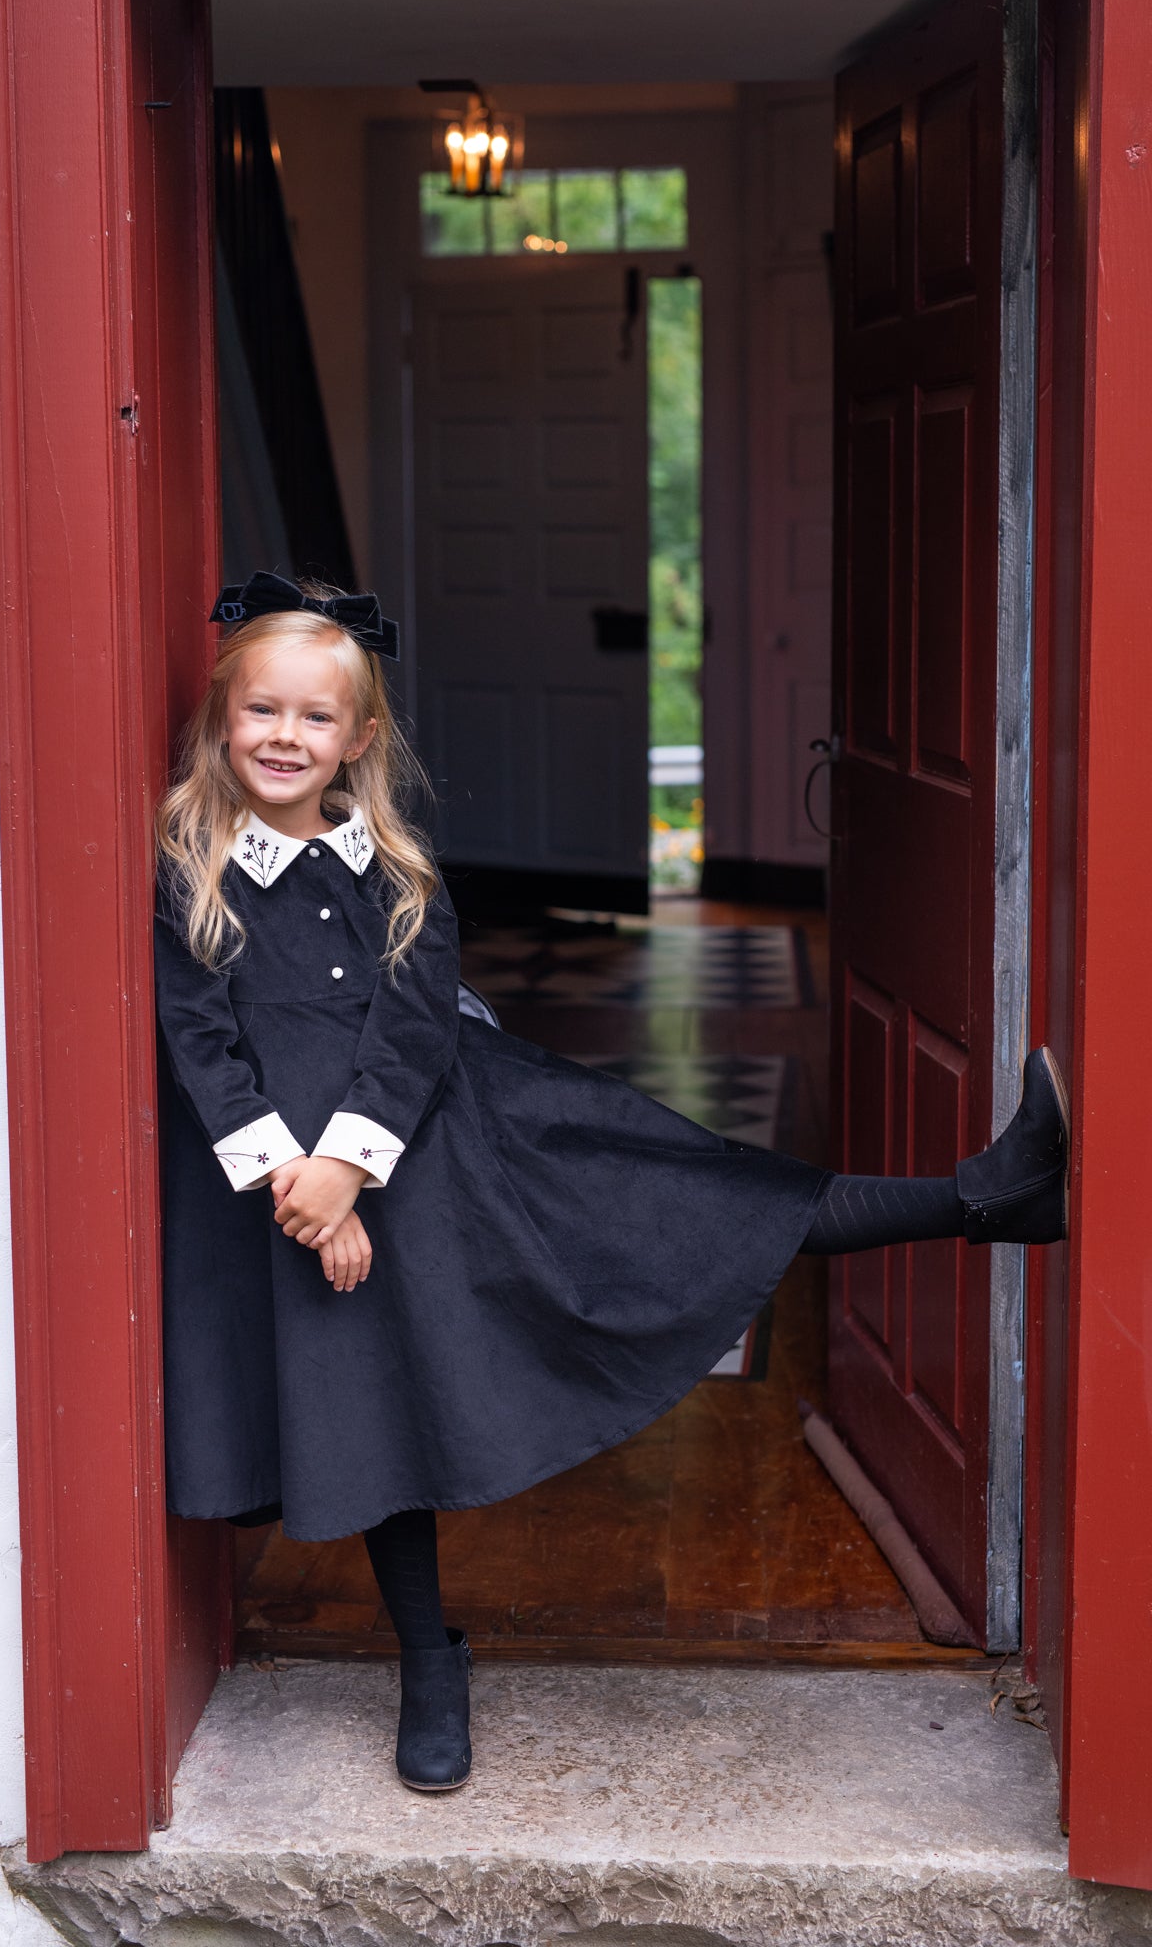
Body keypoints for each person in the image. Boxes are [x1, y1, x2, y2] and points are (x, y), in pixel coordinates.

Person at [154, 571, 1069, 1796]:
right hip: (292, 1205)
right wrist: (296, 1184)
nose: (285, 737)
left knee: (698, 1195)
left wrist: (346, 1166)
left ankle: (982, 1198)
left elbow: (414, 1033)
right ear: (224, 716)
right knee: (375, 1416)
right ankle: (431, 1661)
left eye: (315, 718)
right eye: (263, 710)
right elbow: (199, 1042)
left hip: (452, 1146)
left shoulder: (401, 875)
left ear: (359, 739)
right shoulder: (192, 868)